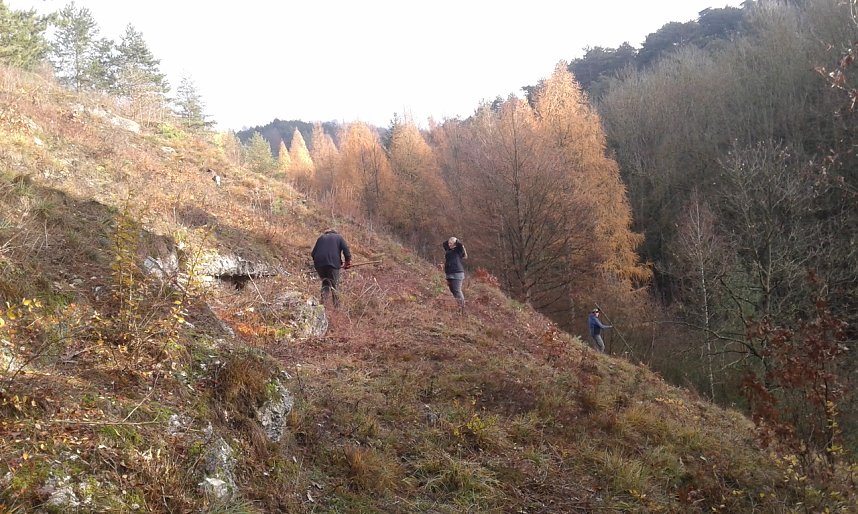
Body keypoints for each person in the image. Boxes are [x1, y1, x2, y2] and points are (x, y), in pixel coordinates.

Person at [311, 228, 352, 307]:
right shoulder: (339, 237)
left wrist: (320, 263)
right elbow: (346, 251)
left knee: (325, 282)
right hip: (333, 264)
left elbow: (313, 254)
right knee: (334, 285)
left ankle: (323, 305)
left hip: (319, 264)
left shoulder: (321, 238)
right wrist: (347, 263)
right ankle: (337, 308)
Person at [442, 236, 468, 312]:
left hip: (457, 273)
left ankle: (462, 308)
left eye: (451, 243)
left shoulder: (458, 250)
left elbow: (460, 245)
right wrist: (450, 240)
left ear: (455, 244)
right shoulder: (448, 249)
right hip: (449, 273)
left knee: (457, 290)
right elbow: (444, 243)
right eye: (449, 243)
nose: (449, 244)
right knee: (452, 290)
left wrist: (456, 241)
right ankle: (459, 305)